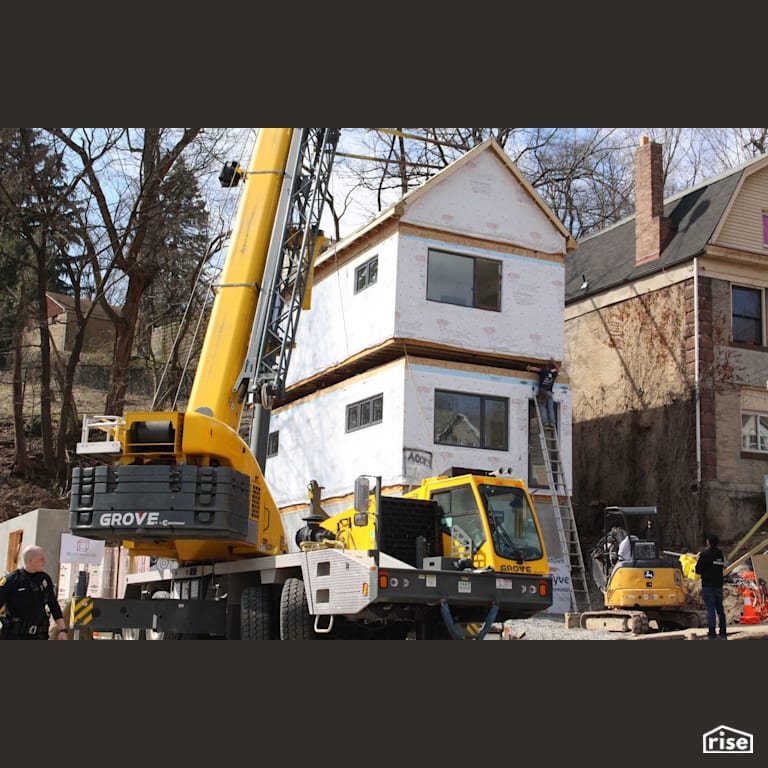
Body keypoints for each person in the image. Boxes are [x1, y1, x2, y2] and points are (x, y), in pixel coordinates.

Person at [0, 544, 68, 640]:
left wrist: (62, 630)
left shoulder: (44, 579)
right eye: (41, 559)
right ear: (30, 560)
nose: (44, 562)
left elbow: (53, 605)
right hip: (15, 636)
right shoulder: (11, 580)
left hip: (39, 635)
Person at [695, 533, 727, 640]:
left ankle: (712, 632)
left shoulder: (705, 555)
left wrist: (698, 559)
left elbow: (698, 570)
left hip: (708, 585)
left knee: (710, 610)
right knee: (720, 610)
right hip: (718, 585)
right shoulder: (720, 555)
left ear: (708, 542)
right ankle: (723, 632)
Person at [527, 358, 560, 428]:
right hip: (550, 392)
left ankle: (545, 422)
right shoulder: (553, 374)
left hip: (543, 391)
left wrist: (530, 368)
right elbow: (558, 369)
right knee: (550, 407)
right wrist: (554, 362)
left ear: (546, 367)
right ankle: (552, 423)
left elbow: (537, 369)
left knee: (542, 406)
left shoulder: (544, 371)